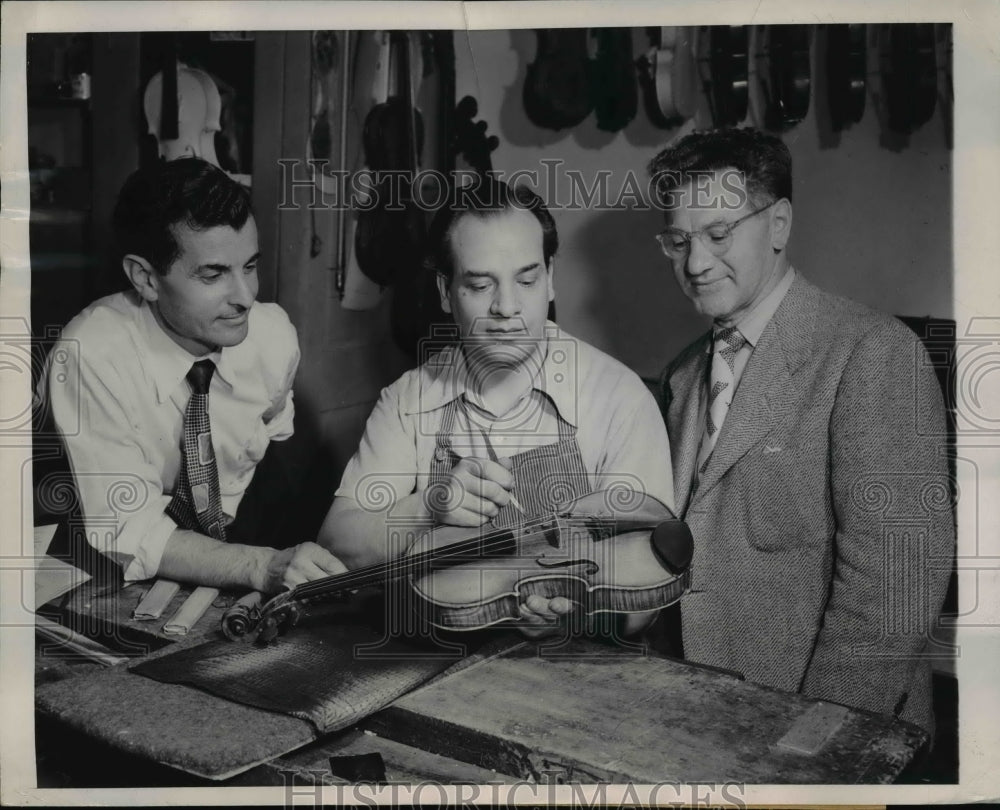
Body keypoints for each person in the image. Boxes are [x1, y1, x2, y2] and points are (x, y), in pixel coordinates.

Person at [649, 127, 954, 733]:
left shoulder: (873, 353)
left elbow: (898, 582)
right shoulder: (683, 374)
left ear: (780, 223)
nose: (696, 263)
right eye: (679, 240)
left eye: (718, 234)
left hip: (822, 731)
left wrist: (817, 739)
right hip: (701, 717)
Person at [319, 179, 675, 638]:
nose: (507, 307)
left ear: (550, 278)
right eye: (481, 284)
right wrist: (428, 508)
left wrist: (574, 612)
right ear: (446, 293)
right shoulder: (408, 400)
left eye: (526, 280)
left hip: (580, 674)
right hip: (435, 661)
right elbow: (336, 544)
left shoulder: (620, 398)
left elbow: (648, 591)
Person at [44, 158, 345, 593]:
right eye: (214, 274)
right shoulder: (89, 355)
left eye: (250, 266)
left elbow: (276, 441)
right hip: (95, 569)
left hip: (225, 551)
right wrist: (259, 566)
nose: (245, 297)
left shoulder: (272, 336)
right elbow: (127, 533)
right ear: (145, 278)